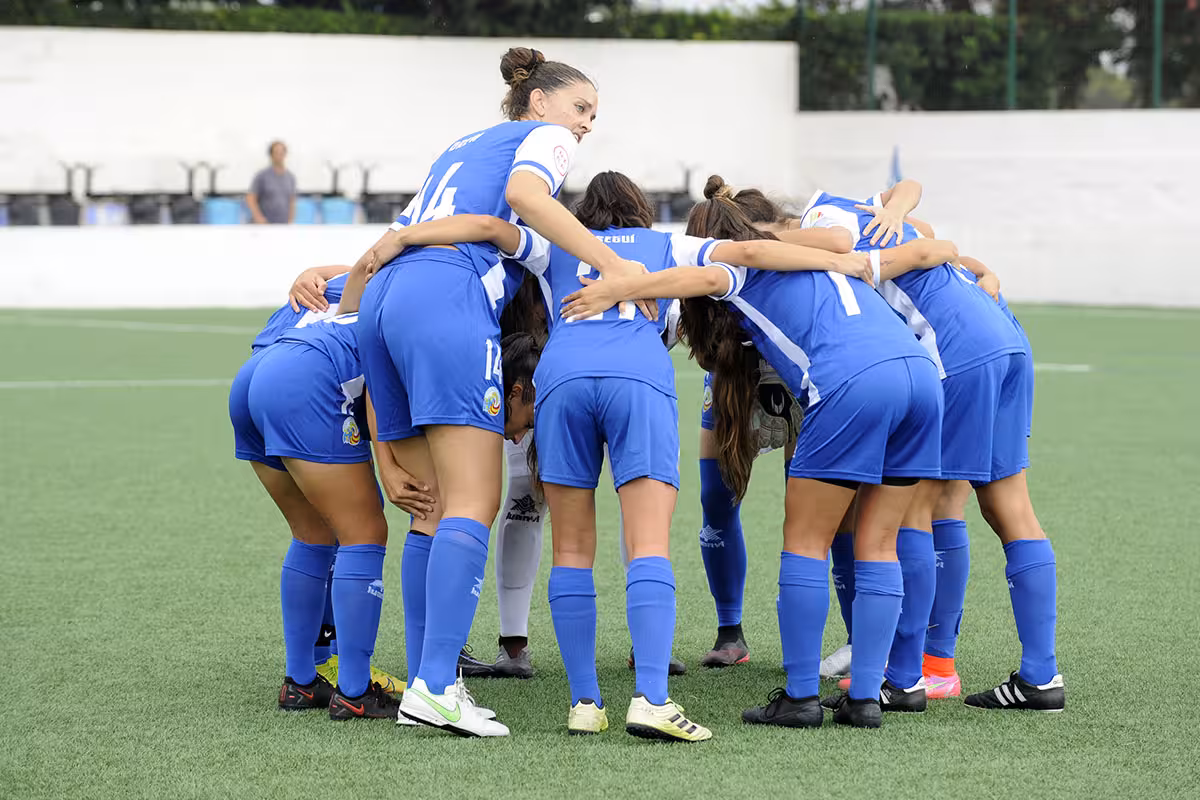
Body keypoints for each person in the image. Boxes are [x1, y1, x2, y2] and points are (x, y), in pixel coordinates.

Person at [358, 170, 872, 739]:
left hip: (562, 379)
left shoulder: (556, 242)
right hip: (637, 379)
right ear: (640, 210)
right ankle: (651, 699)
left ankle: (584, 703)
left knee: (572, 547)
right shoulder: (665, 244)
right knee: (647, 544)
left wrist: (402, 236)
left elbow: (483, 224)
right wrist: (838, 250)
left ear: (582, 213)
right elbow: (752, 249)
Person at [561, 176, 947, 729]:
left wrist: (616, 288)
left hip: (852, 382)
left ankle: (799, 697)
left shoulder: (741, 267)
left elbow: (689, 276)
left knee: (806, 543)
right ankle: (866, 697)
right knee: (879, 542)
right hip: (920, 380)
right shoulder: (816, 248)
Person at [354, 47, 650, 738]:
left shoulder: (462, 146)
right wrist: (616, 264)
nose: (585, 126)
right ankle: (433, 686)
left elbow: (474, 224)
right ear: (539, 102)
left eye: (593, 117)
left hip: (388, 301)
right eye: (581, 109)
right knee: (474, 501)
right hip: (444, 299)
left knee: (431, 506)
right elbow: (523, 199)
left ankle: (438, 679)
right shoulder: (540, 140)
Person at [787, 193, 1063, 713]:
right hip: (1007, 336)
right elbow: (946, 243)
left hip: (956, 350)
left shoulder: (826, 224)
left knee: (917, 511)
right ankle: (1039, 676)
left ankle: (908, 676)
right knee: (1009, 507)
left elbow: (840, 249)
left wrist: (757, 242)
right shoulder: (887, 218)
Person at [230, 265, 429, 721]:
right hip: (307, 378)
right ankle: (356, 690)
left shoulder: (356, 274)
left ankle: (300, 681)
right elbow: (383, 381)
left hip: (253, 375)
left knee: (313, 533)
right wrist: (389, 464)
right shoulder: (425, 288)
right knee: (365, 531)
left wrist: (312, 270)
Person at [248, 140, 297, 225]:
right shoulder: (262, 176)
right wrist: (259, 218)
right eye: (276, 152)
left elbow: (291, 201)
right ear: (271, 155)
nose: (279, 155)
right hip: (265, 224)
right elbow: (250, 198)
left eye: (282, 152)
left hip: (282, 224)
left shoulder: (290, 177)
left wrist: (290, 220)